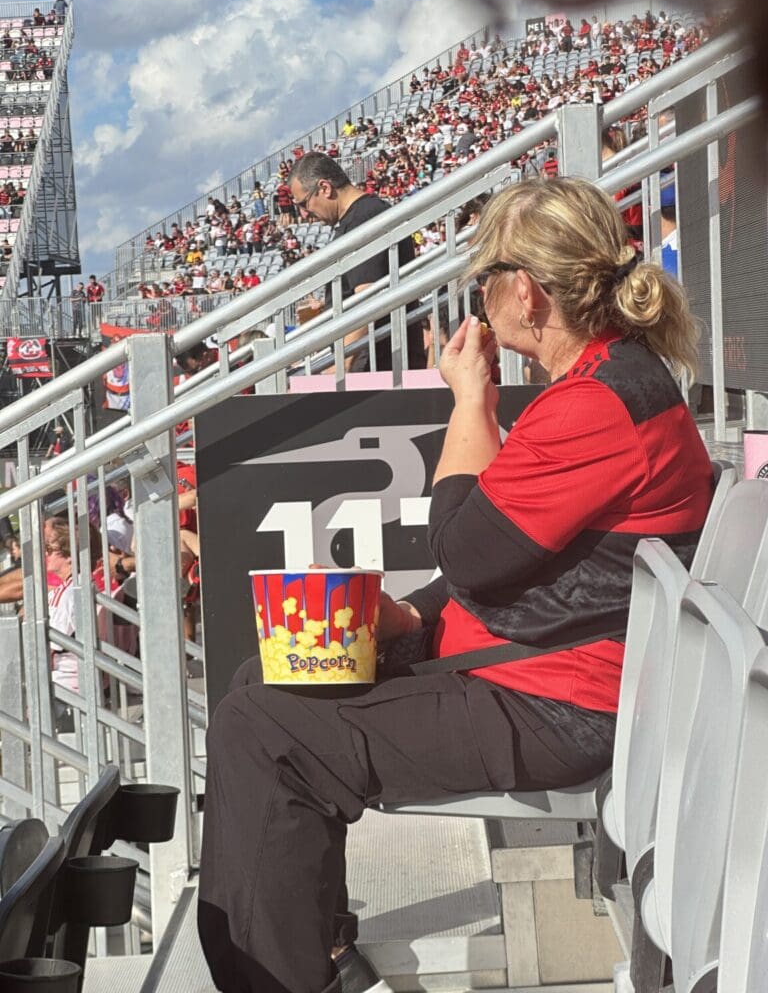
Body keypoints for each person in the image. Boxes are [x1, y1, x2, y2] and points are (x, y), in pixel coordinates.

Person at [197, 176, 714, 993]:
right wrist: (413, 615)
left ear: (526, 292)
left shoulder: (595, 404)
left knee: (264, 731)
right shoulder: (614, 380)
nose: (479, 298)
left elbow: (466, 548)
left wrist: (470, 400)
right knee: (257, 685)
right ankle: (320, 953)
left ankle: (284, 977)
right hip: (548, 672)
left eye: (483, 279)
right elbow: (507, 556)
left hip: (559, 702)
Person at [287, 151, 427, 372]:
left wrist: (339, 366)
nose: (304, 214)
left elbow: (368, 298)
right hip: (377, 363)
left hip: (380, 367)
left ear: (324, 188)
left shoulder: (364, 218)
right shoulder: (359, 217)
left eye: (304, 204)